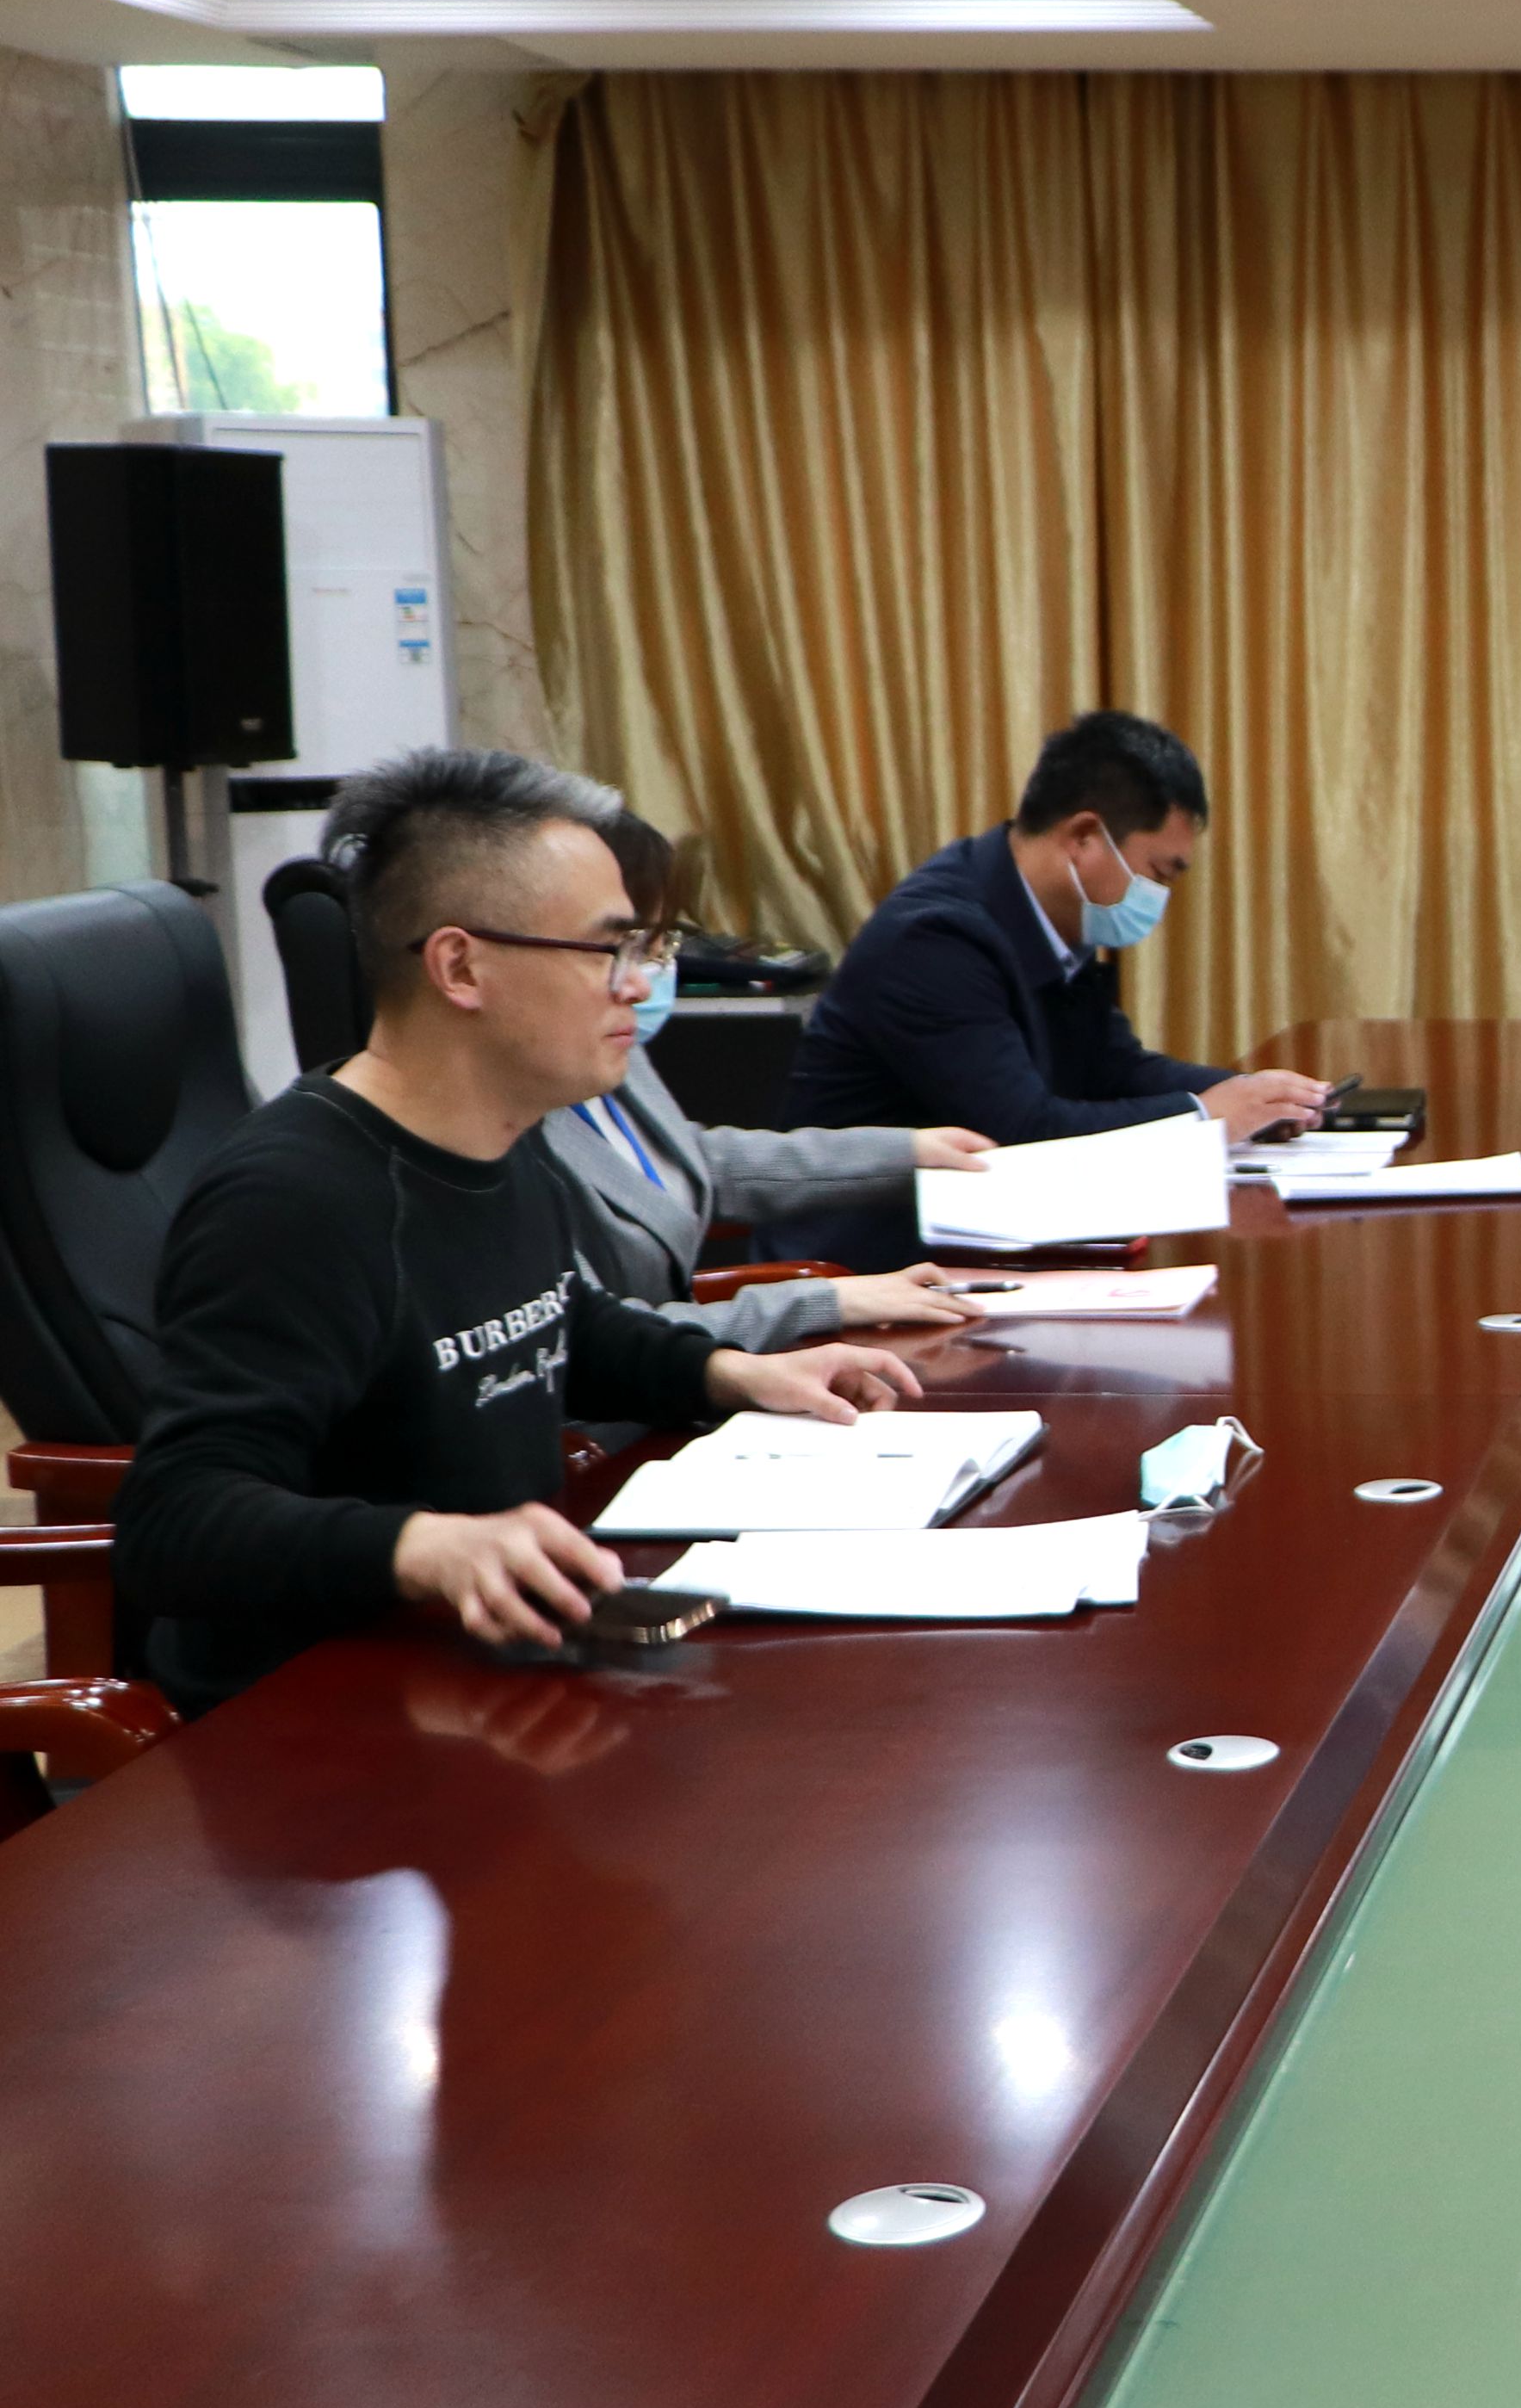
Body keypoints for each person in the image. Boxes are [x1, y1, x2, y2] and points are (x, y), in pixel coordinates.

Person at [117, 750, 926, 1708]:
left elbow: (555, 1318)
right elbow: (175, 1521)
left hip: (500, 1670)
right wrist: (427, 1545)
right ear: (461, 966)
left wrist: (729, 1372)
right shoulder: (292, 1199)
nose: (637, 984)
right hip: (326, 1716)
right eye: (607, 949)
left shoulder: (503, 1131)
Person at [779, 710, 1330, 1260]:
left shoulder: (1049, 919)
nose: (1160, 897)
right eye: (1158, 874)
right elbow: (1022, 1132)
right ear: (1085, 837)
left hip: (988, 1240)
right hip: (867, 1265)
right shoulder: (936, 939)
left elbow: (1113, 1068)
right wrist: (1204, 1116)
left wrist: (1253, 1097)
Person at [541, 809, 995, 1348]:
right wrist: (823, 1302)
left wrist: (906, 1154)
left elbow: (692, 1161)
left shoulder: (612, 1040)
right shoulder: (509, 1113)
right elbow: (592, 1345)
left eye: (656, 946)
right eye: (622, 948)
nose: (640, 982)